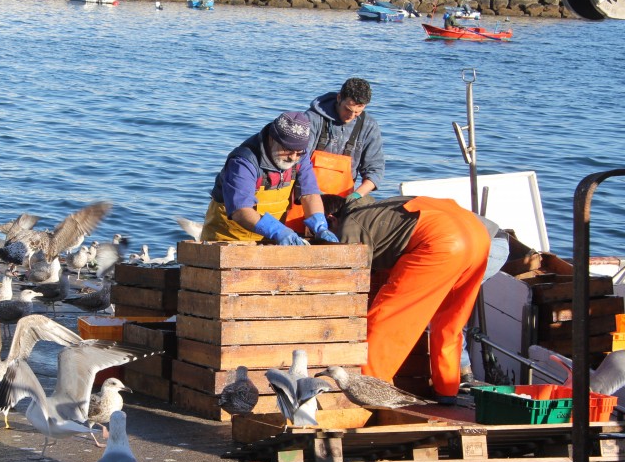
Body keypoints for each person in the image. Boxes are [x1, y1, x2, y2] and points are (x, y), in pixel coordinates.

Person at [322, 194, 492, 404]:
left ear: (331, 219)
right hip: (478, 236)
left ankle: (371, 391)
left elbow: (348, 283)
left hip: (442, 241)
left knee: (387, 320)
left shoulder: (349, 225)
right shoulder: (377, 209)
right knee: (450, 323)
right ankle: (447, 392)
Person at [200, 111, 337, 245]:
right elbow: (240, 211)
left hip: (269, 241)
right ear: (272, 139)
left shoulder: (300, 156)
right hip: (228, 240)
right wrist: (278, 231)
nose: (293, 157)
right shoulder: (244, 162)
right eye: (288, 150)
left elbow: (310, 194)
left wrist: (320, 227)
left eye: (299, 153)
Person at [303, 78, 384, 212]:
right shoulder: (312, 118)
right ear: (339, 97)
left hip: (342, 203)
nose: (351, 116)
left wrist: (357, 196)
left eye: (358, 112)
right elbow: (299, 159)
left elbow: (375, 170)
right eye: (348, 109)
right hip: (307, 194)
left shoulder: (369, 126)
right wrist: (314, 193)